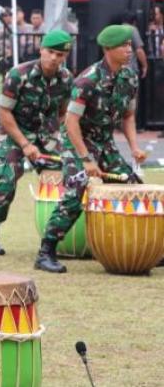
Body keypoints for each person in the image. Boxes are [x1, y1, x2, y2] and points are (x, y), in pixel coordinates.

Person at [35, 25, 146, 273]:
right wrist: (85, 159)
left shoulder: (129, 77)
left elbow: (128, 116)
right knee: (76, 189)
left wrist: (135, 147)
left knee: (132, 185)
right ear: (108, 49)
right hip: (77, 141)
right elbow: (71, 122)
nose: (129, 50)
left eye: (130, 45)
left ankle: (138, 247)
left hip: (103, 141)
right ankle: (46, 251)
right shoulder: (88, 79)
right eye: (123, 46)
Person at [0, 30, 74, 255]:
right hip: (15, 134)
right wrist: (24, 144)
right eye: (50, 52)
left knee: (71, 174)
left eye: (60, 55)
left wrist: (60, 137)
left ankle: (59, 237)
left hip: (46, 137)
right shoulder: (18, 74)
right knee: (7, 180)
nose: (54, 58)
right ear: (41, 50)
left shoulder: (66, 79)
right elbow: (3, 112)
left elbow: (62, 112)